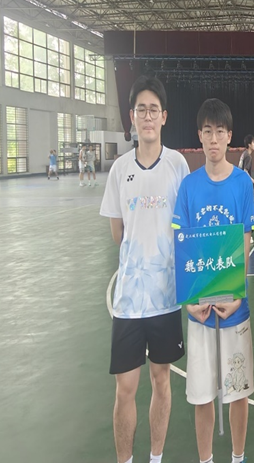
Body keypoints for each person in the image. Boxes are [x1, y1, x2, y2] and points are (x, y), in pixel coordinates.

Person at [100, 75, 190, 463]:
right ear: (132, 116)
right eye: (141, 109)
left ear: (164, 116)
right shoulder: (120, 169)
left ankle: (156, 457)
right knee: (125, 388)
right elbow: (117, 232)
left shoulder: (178, 165)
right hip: (129, 300)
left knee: (161, 379)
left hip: (166, 298)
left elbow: (186, 226)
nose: (148, 116)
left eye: (154, 109)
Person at [172, 98, 254, 463]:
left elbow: (246, 241)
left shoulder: (242, 184)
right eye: (207, 131)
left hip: (235, 309)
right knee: (202, 395)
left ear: (229, 136)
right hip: (201, 312)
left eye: (220, 131)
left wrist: (237, 295)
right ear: (200, 136)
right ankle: (205, 459)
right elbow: (182, 245)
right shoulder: (189, 187)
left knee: (238, 391)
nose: (213, 139)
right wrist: (190, 302)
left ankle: (238, 456)